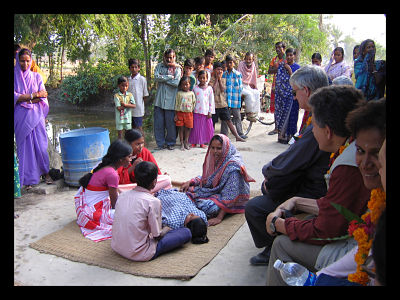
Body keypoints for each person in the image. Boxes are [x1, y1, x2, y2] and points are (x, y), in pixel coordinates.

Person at [265, 86, 370, 286]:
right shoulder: (349, 149)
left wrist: (279, 224)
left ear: (327, 131)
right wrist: (297, 201)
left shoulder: (350, 162)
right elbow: (338, 207)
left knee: (281, 244)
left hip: (358, 249)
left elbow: (327, 228)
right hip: (354, 234)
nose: (312, 130)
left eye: (314, 124)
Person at [245, 65, 330, 266]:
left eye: (295, 92)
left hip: (313, 190)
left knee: (256, 205)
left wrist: (269, 172)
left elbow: (292, 161)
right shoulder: (318, 116)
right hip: (310, 182)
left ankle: (275, 245)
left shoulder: (320, 123)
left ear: (306, 91)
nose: (294, 97)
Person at [313, 99, 386, 286]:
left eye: (377, 153)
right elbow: (370, 256)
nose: (365, 162)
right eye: (361, 151)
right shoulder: (378, 197)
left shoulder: (346, 169)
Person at [111, 161, 192, 261]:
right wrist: (167, 229)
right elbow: (157, 235)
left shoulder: (123, 195)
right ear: (154, 182)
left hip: (117, 246)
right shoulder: (153, 202)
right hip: (139, 252)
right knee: (186, 232)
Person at [180, 134, 255, 226]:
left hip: (233, 197)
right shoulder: (218, 158)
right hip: (218, 191)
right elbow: (208, 177)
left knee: (210, 207)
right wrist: (192, 181)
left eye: (219, 148)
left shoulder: (233, 166)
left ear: (225, 148)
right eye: (212, 148)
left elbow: (230, 194)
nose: (215, 151)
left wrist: (219, 218)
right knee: (187, 190)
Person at [74, 139, 132, 242]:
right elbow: (115, 204)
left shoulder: (102, 165)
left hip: (87, 206)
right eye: (129, 157)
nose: (130, 160)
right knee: (130, 214)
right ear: (120, 159)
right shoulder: (112, 174)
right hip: (94, 212)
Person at [14, 48, 52, 190]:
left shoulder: (36, 77)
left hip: (36, 116)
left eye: (27, 61)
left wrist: (22, 98)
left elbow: (43, 96)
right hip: (20, 117)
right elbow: (14, 97)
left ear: (31, 61)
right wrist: (32, 96)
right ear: (18, 60)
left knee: (41, 146)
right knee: (24, 149)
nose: (25, 64)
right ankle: (27, 179)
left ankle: (46, 173)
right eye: (22, 61)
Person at [210, 61, 246, 142]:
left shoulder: (224, 79)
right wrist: (216, 80)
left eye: (221, 70)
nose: (220, 71)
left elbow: (223, 89)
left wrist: (219, 80)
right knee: (213, 123)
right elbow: (213, 90)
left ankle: (237, 136)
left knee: (228, 120)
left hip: (223, 104)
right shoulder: (211, 80)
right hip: (214, 105)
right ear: (214, 70)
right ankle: (211, 139)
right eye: (218, 69)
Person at [154, 49, 181, 151]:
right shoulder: (159, 66)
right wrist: (169, 77)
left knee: (170, 124)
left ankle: (170, 143)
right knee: (158, 124)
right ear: (164, 57)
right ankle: (160, 144)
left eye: (172, 57)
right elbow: (156, 77)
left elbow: (176, 83)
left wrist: (163, 79)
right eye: (168, 57)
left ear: (174, 57)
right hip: (159, 101)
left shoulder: (177, 69)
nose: (170, 59)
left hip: (171, 101)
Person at [274, 48, 301, 144]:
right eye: (288, 55)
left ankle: (291, 138)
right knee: (281, 116)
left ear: (294, 56)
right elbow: (279, 81)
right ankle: (282, 137)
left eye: (291, 55)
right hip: (282, 97)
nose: (289, 57)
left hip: (293, 96)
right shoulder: (281, 66)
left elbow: (297, 82)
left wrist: (289, 70)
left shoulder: (298, 68)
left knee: (293, 117)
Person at [188, 70, 215, 148]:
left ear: (207, 79)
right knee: (196, 127)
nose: (202, 80)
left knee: (204, 128)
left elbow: (211, 101)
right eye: (201, 78)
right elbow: (192, 100)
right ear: (198, 78)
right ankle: (194, 142)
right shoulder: (195, 88)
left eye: (204, 78)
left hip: (206, 111)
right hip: (196, 110)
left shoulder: (209, 89)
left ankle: (202, 142)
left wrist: (210, 111)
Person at [221, 55, 244, 139]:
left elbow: (240, 88)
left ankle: (240, 133)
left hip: (235, 100)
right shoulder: (223, 75)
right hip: (226, 100)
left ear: (234, 63)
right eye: (228, 62)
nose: (229, 64)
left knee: (237, 116)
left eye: (231, 62)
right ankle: (224, 134)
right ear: (226, 63)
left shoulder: (238, 74)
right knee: (225, 118)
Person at [267, 41, 286, 135]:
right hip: (275, 85)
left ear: (284, 48)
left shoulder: (287, 58)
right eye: (276, 48)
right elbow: (269, 71)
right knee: (277, 108)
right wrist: (279, 68)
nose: (277, 49)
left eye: (279, 47)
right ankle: (276, 128)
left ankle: (283, 128)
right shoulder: (274, 59)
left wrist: (276, 68)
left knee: (284, 107)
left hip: (285, 86)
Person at [127, 58, 149, 136]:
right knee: (130, 128)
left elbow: (145, 95)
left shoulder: (142, 79)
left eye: (136, 67)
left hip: (138, 109)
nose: (134, 69)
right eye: (132, 67)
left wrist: (141, 105)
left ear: (139, 68)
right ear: (129, 68)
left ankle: (143, 144)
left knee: (139, 128)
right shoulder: (128, 80)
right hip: (129, 108)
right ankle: (132, 146)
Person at [174, 76, 196, 150]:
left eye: (187, 84)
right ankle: (182, 143)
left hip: (189, 113)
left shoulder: (192, 93)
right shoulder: (179, 93)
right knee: (181, 128)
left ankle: (186, 141)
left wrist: (191, 110)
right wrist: (176, 114)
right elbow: (176, 104)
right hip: (180, 113)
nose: (185, 86)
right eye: (183, 84)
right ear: (181, 85)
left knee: (188, 128)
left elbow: (194, 103)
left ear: (190, 84)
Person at [238, 52, 261, 122]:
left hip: (247, 85)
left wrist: (254, 86)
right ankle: (249, 114)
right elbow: (238, 78)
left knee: (257, 93)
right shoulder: (241, 64)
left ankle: (256, 114)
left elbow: (253, 76)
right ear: (244, 59)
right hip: (240, 85)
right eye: (247, 59)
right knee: (249, 94)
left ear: (252, 59)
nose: (248, 61)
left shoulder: (253, 65)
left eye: (250, 59)